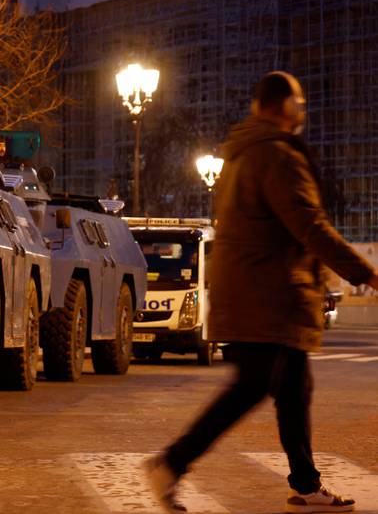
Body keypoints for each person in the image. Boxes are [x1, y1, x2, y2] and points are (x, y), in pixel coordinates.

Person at [144, 71, 378, 514]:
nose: (302, 112)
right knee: (250, 389)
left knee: (294, 390)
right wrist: (366, 272)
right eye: (300, 103)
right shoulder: (275, 156)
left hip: (257, 292)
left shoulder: (241, 153)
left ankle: (307, 485)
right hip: (268, 296)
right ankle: (171, 464)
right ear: (282, 105)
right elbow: (308, 225)